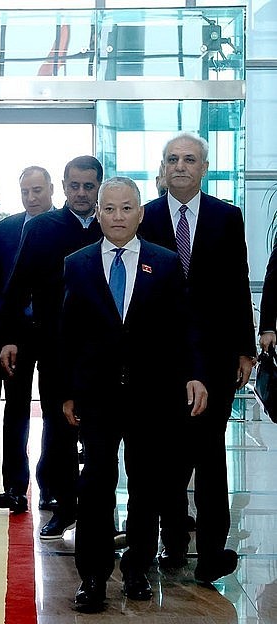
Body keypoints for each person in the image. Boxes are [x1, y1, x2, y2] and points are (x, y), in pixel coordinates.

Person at [61, 177, 207, 613]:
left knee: (147, 484)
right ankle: (92, 577)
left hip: (152, 394)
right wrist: (67, 392)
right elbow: (68, 333)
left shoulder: (163, 263)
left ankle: (138, 568)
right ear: (98, 214)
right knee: (96, 485)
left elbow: (182, 327)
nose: (118, 217)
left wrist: (193, 375)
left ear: (141, 214)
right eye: (110, 209)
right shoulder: (78, 262)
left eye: (127, 209)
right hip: (98, 394)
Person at [139, 132, 256, 584]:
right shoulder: (143, 217)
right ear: (163, 167)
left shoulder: (228, 217)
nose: (181, 166)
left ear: (204, 166)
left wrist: (245, 347)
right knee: (167, 455)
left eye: (190, 159)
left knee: (210, 455)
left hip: (217, 354)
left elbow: (237, 281)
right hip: (160, 357)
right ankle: (171, 542)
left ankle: (210, 552)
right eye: (173, 159)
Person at [0, 156, 103, 538]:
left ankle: (95, 508)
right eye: (74, 185)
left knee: (95, 432)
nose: (81, 193)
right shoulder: (42, 228)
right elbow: (16, 284)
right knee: (59, 425)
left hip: (100, 348)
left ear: (98, 188)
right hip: (54, 345)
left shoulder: (110, 226)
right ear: (64, 186)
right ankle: (62, 503)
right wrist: (9, 336)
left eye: (88, 186)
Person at [0, 167, 54, 502]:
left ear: (51, 189)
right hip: (9, 336)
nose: (31, 198)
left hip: (52, 335)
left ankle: (48, 486)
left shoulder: (64, 228)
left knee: (50, 410)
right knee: (14, 408)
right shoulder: (3, 230)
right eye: (25, 192)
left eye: (37, 191)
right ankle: (14, 486)